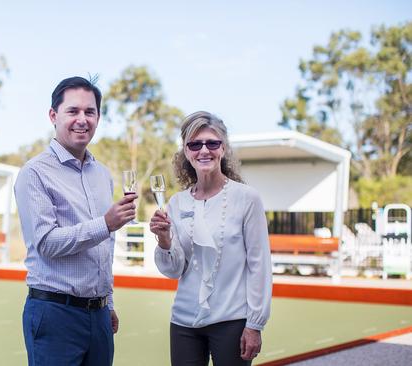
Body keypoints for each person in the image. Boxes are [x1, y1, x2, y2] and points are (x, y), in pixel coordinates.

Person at [14, 76, 138, 366]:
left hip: (98, 316)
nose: (82, 119)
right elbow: (46, 243)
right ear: (54, 116)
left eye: (90, 112)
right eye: (73, 111)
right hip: (54, 313)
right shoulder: (34, 173)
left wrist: (108, 303)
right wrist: (105, 224)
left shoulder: (102, 175)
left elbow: (104, 250)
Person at [149, 111, 272, 365]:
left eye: (212, 143)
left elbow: (259, 265)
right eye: (195, 144)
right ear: (185, 152)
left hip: (232, 321)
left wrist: (255, 324)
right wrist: (164, 241)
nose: (204, 150)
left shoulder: (247, 198)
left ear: (223, 148)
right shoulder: (176, 202)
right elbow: (174, 270)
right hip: (183, 323)